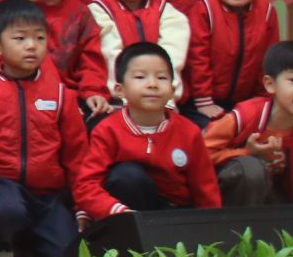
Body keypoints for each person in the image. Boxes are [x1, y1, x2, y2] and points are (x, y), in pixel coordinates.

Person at [0, 0, 88, 257]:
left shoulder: (59, 94)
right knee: (7, 212)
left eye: (39, 38)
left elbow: (77, 155)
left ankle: (29, 239)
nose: (31, 46)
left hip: (46, 195)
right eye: (20, 38)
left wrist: (82, 206)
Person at [72, 44, 218, 224]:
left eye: (161, 77)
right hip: (125, 213)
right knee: (127, 175)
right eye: (140, 77)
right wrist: (116, 212)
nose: (152, 84)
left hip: (174, 215)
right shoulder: (107, 130)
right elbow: (86, 185)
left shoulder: (189, 131)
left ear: (172, 90)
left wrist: (211, 227)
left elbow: (205, 188)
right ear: (119, 90)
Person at [203, 41, 293, 237]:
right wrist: (246, 153)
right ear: (270, 84)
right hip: (228, 199)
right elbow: (200, 155)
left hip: (274, 198)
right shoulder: (244, 116)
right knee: (251, 169)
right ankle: (231, 238)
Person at [182, 0, 280, 125]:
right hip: (203, 101)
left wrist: (263, 98)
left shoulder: (266, 10)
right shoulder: (205, 8)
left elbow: (270, 58)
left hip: (246, 100)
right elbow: (197, 57)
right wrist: (204, 99)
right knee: (212, 133)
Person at [84, 0, 188, 99]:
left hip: (160, 99)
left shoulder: (167, 13)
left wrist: (166, 97)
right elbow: (109, 57)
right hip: (116, 99)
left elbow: (172, 59)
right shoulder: (98, 11)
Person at [19, 0, 102, 118]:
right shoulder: (17, 15)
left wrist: (93, 91)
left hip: (71, 96)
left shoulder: (80, 15)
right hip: (26, 95)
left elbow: (91, 61)